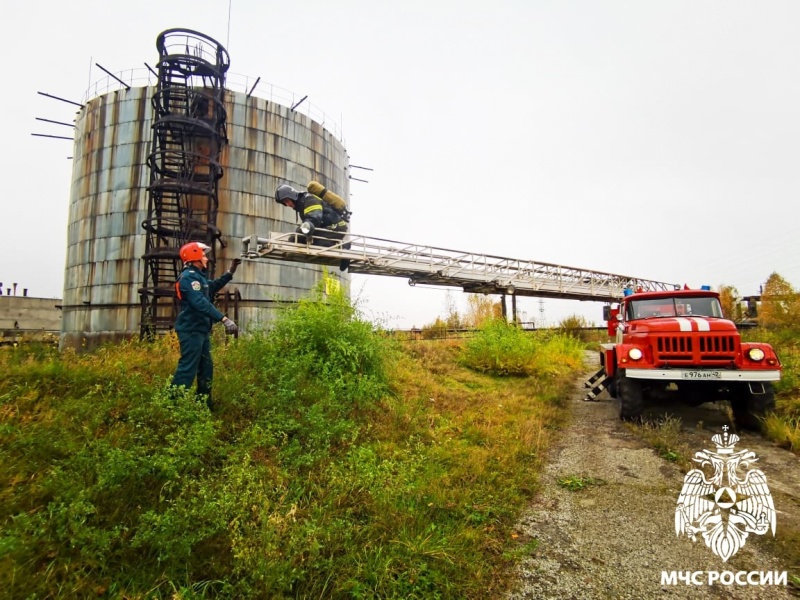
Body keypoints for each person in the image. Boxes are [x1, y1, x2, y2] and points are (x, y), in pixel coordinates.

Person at [171, 241, 241, 409]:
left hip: (201, 331)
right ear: (194, 257)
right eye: (203, 255)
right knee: (188, 368)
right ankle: (172, 406)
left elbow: (212, 286)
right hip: (190, 330)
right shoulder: (188, 278)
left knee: (206, 369)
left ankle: (203, 405)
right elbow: (200, 302)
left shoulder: (198, 278)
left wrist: (230, 272)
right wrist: (223, 319)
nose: (206, 259)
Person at [274, 184, 351, 270]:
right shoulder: (301, 206)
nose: (287, 204)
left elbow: (314, 219)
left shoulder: (309, 199)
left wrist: (302, 231)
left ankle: (344, 247)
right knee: (296, 239)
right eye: (285, 203)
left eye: (287, 201)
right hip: (324, 227)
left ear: (291, 195)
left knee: (317, 243)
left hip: (336, 226)